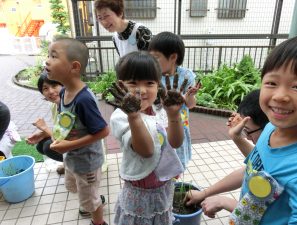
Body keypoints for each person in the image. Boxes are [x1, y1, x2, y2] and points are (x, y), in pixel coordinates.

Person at [188, 36, 297, 224]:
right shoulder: (271, 129)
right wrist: (206, 193)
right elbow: (253, 171)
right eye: (272, 83)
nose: (280, 96)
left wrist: (228, 203)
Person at [109, 51, 185, 225]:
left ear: (158, 85)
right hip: (139, 190)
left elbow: (175, 142)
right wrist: (134, 116)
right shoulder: (120, 117)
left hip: (162, 185)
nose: (141, 90)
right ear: (122, 85)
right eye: (133, 83)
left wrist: (174, 115)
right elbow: (147, 151)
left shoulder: (158, 110)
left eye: (149, 83)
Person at [45, 37, 110, 225]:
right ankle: (91, 199)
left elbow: (104, 131)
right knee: (82, 191)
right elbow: (67, 122)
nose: (47, 61)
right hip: (72, 158)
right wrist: (48, 134)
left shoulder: (84, 100)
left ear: (74, 67)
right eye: (48, 55)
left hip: (87, 162)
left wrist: (69, 144)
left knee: (90, 198)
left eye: (54, 56)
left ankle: (98, 221)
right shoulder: (64, 91)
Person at [185, 89, 269, 218]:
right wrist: (205, 193)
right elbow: (252, 169)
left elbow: (273, 218)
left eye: (247, 130)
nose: (247, 137)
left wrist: (225, 202)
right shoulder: (271, 147)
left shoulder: (291, 164)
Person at [148, 31, 201, 169]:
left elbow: (190, 105)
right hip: (158, 126)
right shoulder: (152, 76)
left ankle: (174, 182)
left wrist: (188, 97)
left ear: (173, 57)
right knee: (160, 160)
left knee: (176, 162)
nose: (152, 62)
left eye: (156, 58)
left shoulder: (186, 76)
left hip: (178, 124)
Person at [26, 72, 65, 174]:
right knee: (41, 145)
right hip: (69, 141)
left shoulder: (69, 106)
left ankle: (74, 165)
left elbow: (66, 137)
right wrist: (42, 134)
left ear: (63, 85)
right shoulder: (54, 105)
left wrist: (44, 128)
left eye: (54, 85)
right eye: (45, 88)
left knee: (48, 147)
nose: (51, 91)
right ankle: (68, 162)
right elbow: (60, 131)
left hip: (84, 150)